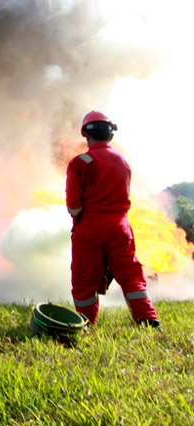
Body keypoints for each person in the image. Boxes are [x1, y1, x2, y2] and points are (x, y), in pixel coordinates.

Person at [66, 110, 160, 328]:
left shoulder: (80, 163)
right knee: (130, 274)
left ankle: (86, 323)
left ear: (86, 135)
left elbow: (73, 205)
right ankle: (148, 318)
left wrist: (80, 217)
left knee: (85, 278)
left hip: (90, 228)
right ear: (110, 135)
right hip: (121, 228)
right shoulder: (123, 161)